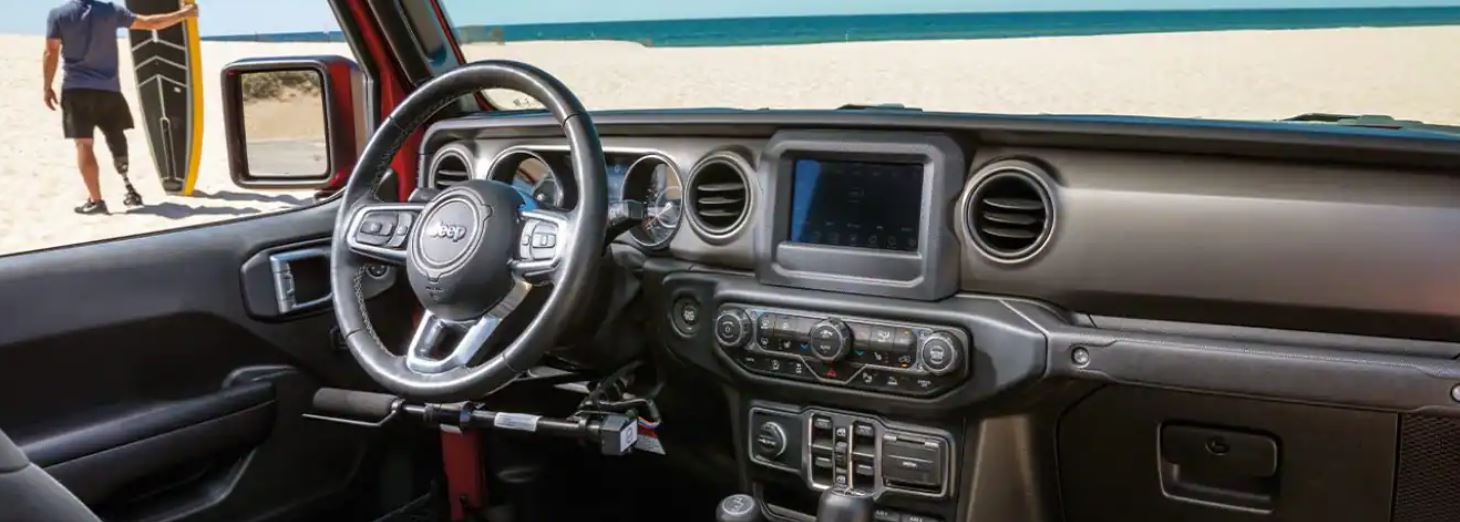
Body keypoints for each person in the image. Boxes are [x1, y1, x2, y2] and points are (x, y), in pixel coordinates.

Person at [43, 0, 199, 215]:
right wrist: (185, 14)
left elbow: (51, 51)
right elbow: (150, 23)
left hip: (77, 90)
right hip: (110, 90)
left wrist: (47, 86)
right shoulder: (110, 11)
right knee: (115, 135)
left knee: (84, 144)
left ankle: (97, 200)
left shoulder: (59, 15)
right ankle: (126, 180)